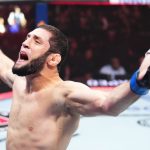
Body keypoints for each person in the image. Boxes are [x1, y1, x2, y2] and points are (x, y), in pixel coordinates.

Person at [0, 24, 150, 150]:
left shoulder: (63, 94)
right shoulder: (19, 82)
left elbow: (107, 104)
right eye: (27, 37)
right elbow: (3, 65)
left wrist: (140, 82)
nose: (25, 43)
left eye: (37, 41)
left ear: (53, 59)